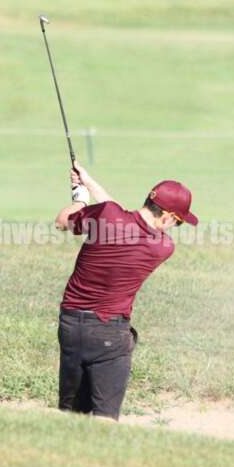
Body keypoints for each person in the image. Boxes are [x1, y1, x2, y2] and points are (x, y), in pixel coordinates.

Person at [54, 161, 198, 420]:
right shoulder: (162, 247)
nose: (175, 228)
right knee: (105, 418)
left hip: (70, 326)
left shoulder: (107, 216)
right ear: (166, 217)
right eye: (178, 222)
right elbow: (127, 222)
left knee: (70, 416)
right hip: (109, 334)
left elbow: (62, 221)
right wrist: (89, 184)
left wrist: (80, 200)